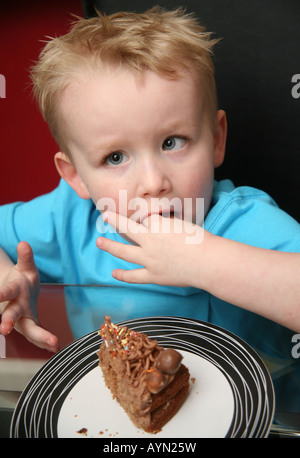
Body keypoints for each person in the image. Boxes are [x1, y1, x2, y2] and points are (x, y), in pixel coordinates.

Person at [0, 8, 299, 364]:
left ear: (217, 140)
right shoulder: (70, 217)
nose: (154, 183)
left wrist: (201, 259)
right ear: (76, 176)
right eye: (115, 158)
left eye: (173, 142)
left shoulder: (244, 224)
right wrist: (9, 281)